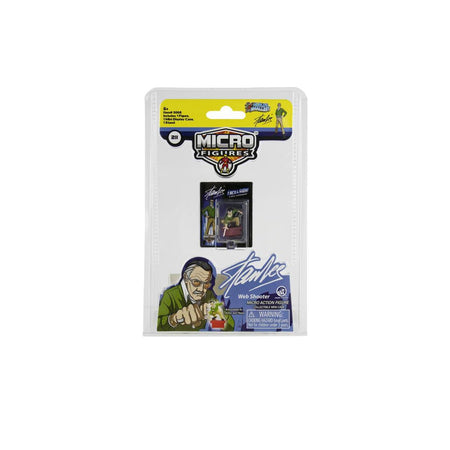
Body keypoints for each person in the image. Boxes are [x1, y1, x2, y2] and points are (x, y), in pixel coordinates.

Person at [157, 258, 235, 331]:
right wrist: (174, 319)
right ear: (186, 278)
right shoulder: (170, 295)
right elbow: (157, 326)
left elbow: (230, 326)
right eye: (196, 282)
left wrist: (218, 314)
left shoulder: (209, 295)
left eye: (206, 283)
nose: (201, 289)